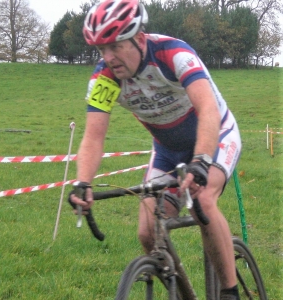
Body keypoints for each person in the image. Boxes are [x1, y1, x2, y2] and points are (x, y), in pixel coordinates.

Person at [69, 0, 242, 299]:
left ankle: (230, 292)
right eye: (101, 50)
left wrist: (201, 160)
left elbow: (208, 109)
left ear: (138, 38)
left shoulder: (174, 54)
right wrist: (83, 181)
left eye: (114, 46)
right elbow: (93, 136)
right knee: (148, 231)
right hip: (167, 151)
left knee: (204, 203)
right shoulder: (105, 79)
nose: (108, 57)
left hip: (216, 136)